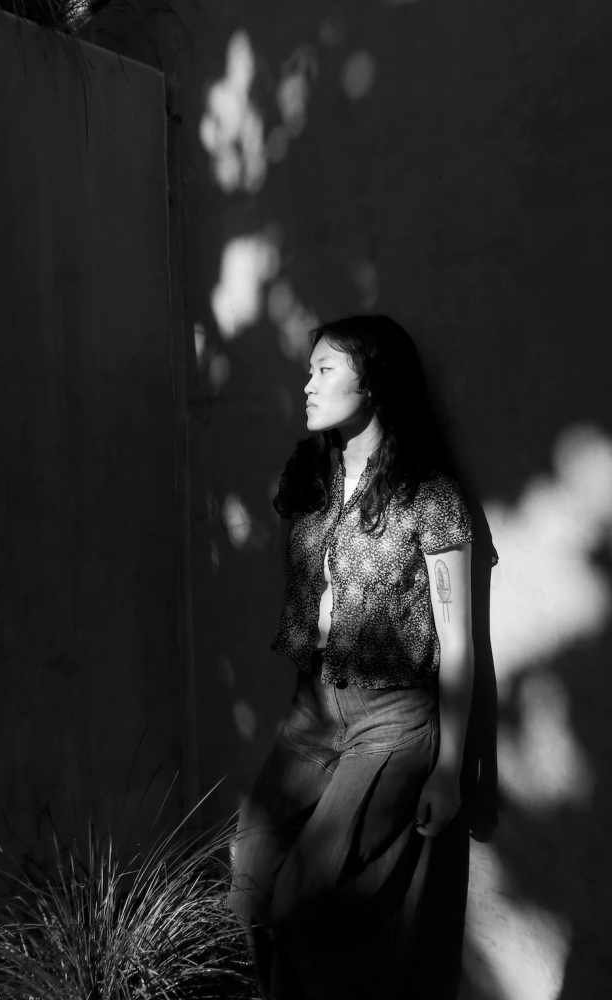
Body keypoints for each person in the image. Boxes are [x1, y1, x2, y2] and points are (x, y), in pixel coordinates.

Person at [229, 315, 474, 1000]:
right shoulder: (308, 478)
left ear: (374, 382)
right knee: (250, 883)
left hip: (390, 719)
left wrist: (450, 769)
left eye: (324, 370)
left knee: (309, 904)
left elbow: (457, 641)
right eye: (308, 371)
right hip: (311, 709)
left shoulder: (430, 496)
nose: (308, 385)